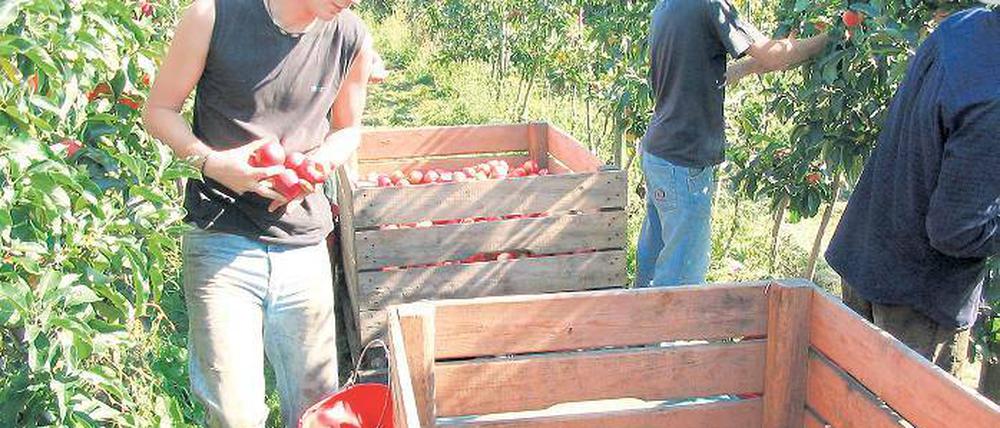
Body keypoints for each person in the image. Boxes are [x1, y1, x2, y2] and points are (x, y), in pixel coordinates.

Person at [142, 0, 373, 425]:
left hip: (303, 244)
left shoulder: (349, 35)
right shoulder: (212, 16)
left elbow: (347, 128)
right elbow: (158, 110)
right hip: (220, 236)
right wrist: (212, 163)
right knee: (235, 412)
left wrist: (320, 163)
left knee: (316, 408)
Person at [825, 6, 999, 375]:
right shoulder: (994, 97)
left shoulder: (963, 27)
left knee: (851, 404)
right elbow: (957, 231)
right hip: (917, 306)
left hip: (867, 259)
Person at [635, 0, 828, 287]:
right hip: (684, 165)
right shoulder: (710, 5)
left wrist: (745, 68)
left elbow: (712, 68)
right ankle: (669, 332)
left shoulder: (668, 6)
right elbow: (775, 56)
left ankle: (639, 330)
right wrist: (830, 38)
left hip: (660, 154)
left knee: (652, 267)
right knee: (681, 285)